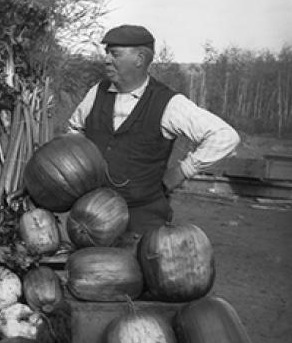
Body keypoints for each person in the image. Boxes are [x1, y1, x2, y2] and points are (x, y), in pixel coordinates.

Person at [67, 24, 240, 239]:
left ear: (139, 59)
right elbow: (74, 128)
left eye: (115, 54)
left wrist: (183, 171)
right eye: (107, 53)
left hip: (142, 222)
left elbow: (224, 136)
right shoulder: (97, 92)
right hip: (90, 219)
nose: (107, 60)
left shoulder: (169, 103)